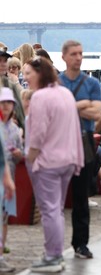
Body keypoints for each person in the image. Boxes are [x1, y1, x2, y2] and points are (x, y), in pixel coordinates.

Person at [23, 56, 82, 272]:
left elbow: (37, 134)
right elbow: (74, 128)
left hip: (46, 161)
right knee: (55, 210)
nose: (25, 77)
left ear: (39, 73)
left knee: (49, 209)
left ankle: (53, 256)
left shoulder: (40, 97)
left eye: (28, 73)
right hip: (67, 159)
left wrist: (30, 157)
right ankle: (55, 254)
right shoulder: (65, 93)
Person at [58, 40, 101, 260]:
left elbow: (97, 113)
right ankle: (55, 245)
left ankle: (81, 243)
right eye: (74, 54)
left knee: (80, 195)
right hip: (59, 139)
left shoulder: (91, 83)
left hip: (82, 140)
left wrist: (70, 106)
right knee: (56, 196)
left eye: (81, 53)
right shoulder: (56, 82)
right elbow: (53, 112)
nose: (78, 57)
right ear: (64, 56)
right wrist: (82, 104)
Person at [0, 88, 22, 273]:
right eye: (2, 103)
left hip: (9, 177)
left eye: (9, 103)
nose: (6, 106)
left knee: (4, 218)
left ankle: (0, 255)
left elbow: (20, 153)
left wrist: (18, 153)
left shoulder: (15, 130)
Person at [0, 48, 24, 131]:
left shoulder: (10, 85)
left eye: (5, 61)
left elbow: (20, 110)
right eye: (0, 60)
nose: (3, 64)